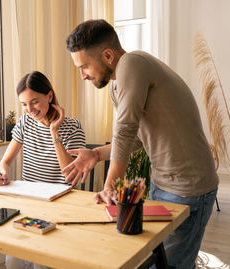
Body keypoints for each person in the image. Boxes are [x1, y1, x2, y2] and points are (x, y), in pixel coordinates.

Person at [63, 19, 218, 268]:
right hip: (162, 184)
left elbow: (124, 130)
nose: (82, 75)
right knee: (157, 260)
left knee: (173, 265)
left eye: (84, 66)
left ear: (107, 55)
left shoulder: (132, 63)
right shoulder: (118, 84)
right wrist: (95, 154)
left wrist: (110, 186)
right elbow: (135, 138)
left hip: (190, 187)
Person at [0, 71, 86, 269]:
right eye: (24, 104)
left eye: (34, 102)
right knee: (14, 257)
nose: (29, 109)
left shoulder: (72, 127)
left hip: (61, 205)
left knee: (42, 261)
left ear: (49, 96)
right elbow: (5, 162)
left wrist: (54, 131)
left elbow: (70, 175)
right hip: (31, 201)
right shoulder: (25, 123)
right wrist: (2, 172)